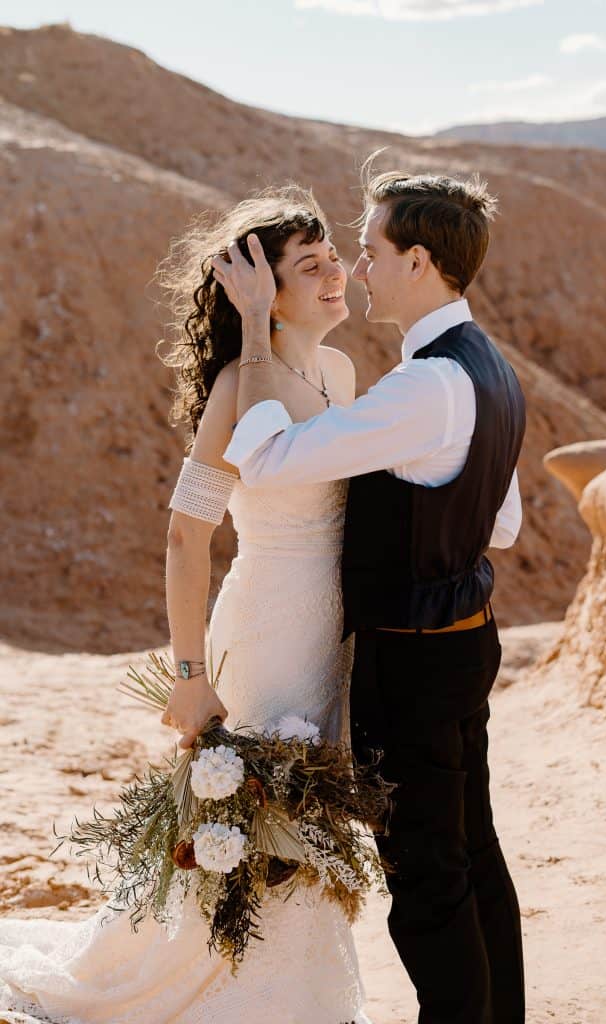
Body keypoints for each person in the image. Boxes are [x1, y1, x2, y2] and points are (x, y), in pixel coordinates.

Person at [0, 187, 372, 1024]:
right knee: (246, 822)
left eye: (332, 258)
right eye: (307, 266)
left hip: (327, 637)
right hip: (263, 634)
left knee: (303, 825)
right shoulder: (239, 386)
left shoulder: (342, 371)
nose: (333, 274)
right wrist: (189, 676)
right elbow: (184, 538)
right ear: (259, 291)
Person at [213, 166, 527, 1024]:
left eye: (372, 249)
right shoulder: (489, 367)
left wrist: (250, 327)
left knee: (425, 877)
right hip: (469, 641)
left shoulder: (421, 385)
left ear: (418, 261)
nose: (358, 267)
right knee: (474, 853)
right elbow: (500, 524)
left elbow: (269, 460)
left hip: (414, 659)